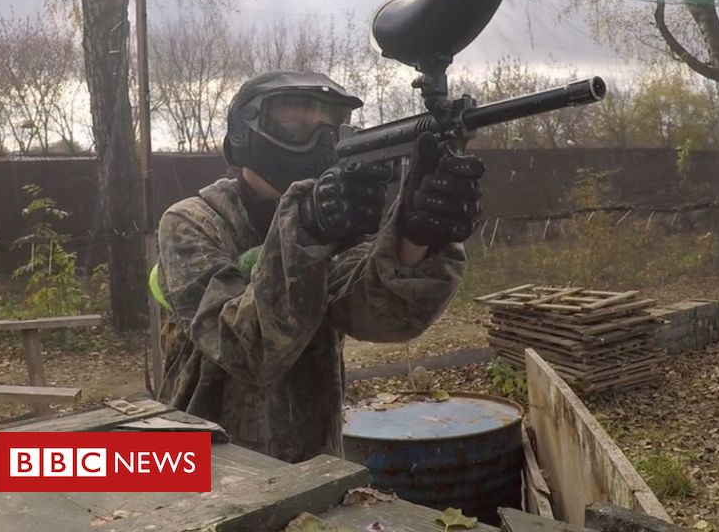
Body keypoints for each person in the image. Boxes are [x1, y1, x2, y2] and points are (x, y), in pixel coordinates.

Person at [150, 70, 484, 462]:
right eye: (295, 126)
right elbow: (245, 349)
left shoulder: (333, 220)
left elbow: (375, 316)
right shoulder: (192, 222)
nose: (319, 141)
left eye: (330, 128)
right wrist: (307, 227)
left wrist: (414, 238)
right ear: (241, 138)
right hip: (203, 465)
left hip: (313, 463)